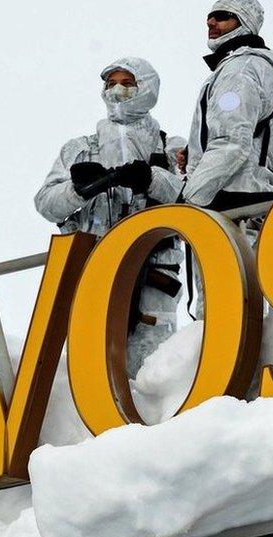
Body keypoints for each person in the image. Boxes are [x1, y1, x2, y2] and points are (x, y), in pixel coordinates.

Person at [34, 57, 184, 378]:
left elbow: (195, 201)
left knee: (155, 376)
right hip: (93, 271)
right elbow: (46, 204)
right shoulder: (79, 150)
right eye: (110, 83)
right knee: (94, 371)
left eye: (127, 83)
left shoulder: (172, 150)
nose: (117, 90)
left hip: (156, 278)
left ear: (146, 88)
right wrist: (80, 189)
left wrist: (152, 179)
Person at [182, 0, 273, 318]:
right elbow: (268, 140)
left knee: (223, 317)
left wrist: (190, 196)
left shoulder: (239, 70)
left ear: (244, 22)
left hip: (229, 206)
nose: (211, 21)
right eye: (209, 16)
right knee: (248, 312)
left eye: (222, 16)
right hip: (251, 205)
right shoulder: (262, 71)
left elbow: (232, 143)